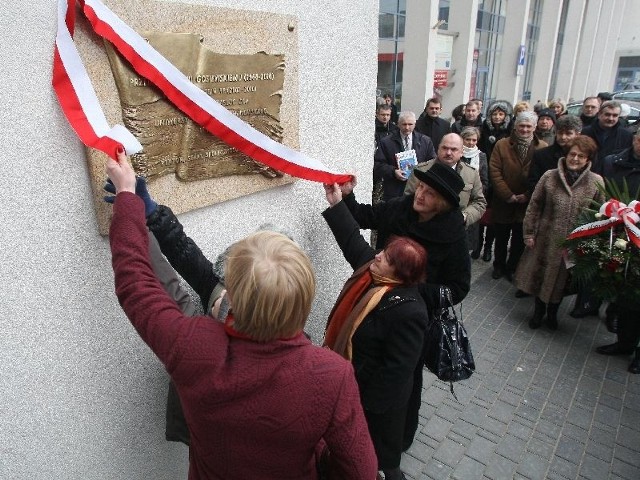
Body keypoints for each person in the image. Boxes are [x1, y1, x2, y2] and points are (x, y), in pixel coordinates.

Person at [105, 151, 377, 479]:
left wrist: (126, 199)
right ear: (305, 296)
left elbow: (137, 285)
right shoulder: (332, 376)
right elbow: (361, 471)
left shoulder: (194, 346)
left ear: (231, 293)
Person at [337, 162, 468, 450]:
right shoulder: (401, 207)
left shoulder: (453, 233)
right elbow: (362, 216)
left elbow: (458, 288)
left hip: (412, 317)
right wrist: (347, 196)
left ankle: (397, 439)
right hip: (375, 305)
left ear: (444, 203)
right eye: (420, 186)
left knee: (403, 377)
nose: (420, 194)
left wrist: (412, 292)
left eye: (430, 193)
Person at [322, 185, 428, 480]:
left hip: (373, 407)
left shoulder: (410, 312)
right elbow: (351, 239)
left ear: (399, 273)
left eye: (386, 256)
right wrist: (336, 203)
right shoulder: (373, 274)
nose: (378, 255)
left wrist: (361, 407)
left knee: (375, 463)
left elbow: (396, 373)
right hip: (352, 389)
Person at [514, 136, 604, 330]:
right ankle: (538, 313)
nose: (575, 159)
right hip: (544, 239)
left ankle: (553, 314)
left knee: (561, 282)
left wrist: (589, 243)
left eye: (581, 156)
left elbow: (599, 215)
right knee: (540, 277)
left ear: (588, 159)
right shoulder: (549, 176)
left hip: (572, 244)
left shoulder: (596, 182)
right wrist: (529, 233)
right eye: (572, 154)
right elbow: (534, 206)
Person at [598, 129, 640, 374]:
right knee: (624, 294)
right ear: (634, 139)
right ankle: (624, 342)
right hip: (620, 231)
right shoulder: (616, 161)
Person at [489, 111, 547, 281]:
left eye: (529, 126)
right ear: (515, 126)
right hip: (503, 201)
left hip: (527, 203)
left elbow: (544, 176)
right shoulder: (502, 145)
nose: (525, 129)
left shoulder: (542, 147)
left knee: (519, 240)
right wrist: (507, 194)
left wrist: (527, 195)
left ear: (535, 127)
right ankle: (498, 265)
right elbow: (494, 171)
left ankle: (512, 267)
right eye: (521, 125)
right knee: (500, 238)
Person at [405, 133, 486, 250]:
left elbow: (479, 202)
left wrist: (464, 217)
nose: (448, 153)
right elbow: (407, 199)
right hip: (423, 234)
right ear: (438, 148)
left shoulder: (471, 174)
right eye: (445, 148)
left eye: (453, 149)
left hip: (455, 235)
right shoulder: (421, 170)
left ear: (461, 152)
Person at [374, 111, 436, 201]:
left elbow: (432, 163)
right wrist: (393, 171)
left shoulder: (425, 141)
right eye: (404, 124)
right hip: (394, 191)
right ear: (398, 124)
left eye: (410, 124)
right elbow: (378, 164)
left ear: (415, 124)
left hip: (418, 190)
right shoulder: (386, 142)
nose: (407, 128)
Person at [528, 115, 583, 194]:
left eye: (568, 133)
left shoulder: (584, 157)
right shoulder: (541, 155)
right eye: (560, 133)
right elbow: (533, 183)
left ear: (577, 135)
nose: (563, 137)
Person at [582, 100, 634, 173]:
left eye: (615, 115)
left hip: (613, 178)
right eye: (607, 114)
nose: (610, 118)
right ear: (599, 114)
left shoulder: (626, 135)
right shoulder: (586, 132)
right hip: (589, 174)